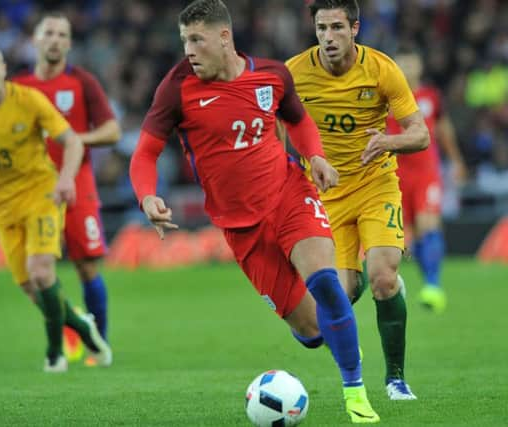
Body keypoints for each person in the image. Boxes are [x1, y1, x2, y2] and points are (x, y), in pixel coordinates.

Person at [129, 0, 379, 423]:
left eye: (197, 39)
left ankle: (356, 393)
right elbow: (145, 153)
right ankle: (320, 333)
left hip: (288, 194)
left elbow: (298, 121)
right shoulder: (177, 87)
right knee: (312, 329)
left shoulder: (271, 74)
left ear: (224, 37)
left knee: (326, 282)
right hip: (240, 227)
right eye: (184, 40)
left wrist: (315, 156)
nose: (188, 49)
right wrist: (147, 197)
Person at [285, 0, 429, 400]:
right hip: (327, 195)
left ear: (355, 28)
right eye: (321, 28)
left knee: (386, 279)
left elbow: (421, 134)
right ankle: (354, 280)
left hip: (375, 184)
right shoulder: (294, 73)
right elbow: (278, 134)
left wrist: (389, 141)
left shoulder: (382, 69)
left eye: (336, 28)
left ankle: (396, 379)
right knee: (337, 299)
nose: (328, 37)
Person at [0, 42, 112, 373]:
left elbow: (73, 140)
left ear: (4, 69)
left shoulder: (29, 100)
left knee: (41, 272)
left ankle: (55, 353)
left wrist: (66, 180)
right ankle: (80, 326)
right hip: (2, 206)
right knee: (30, 288)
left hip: (42, 195)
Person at [14, 13, 121, 364]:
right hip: (33, 189)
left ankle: (98, 345)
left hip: (78, 183)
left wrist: (77, 138)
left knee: (88, 266)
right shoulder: (18, 88)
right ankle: (74, 329)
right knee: (36, 273)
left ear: (70, 43)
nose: (55, 40)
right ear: (36, 40)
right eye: (49, 33)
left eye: (62, 34)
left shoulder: (81, 82)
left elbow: (112, 131)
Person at [387, 50, 468, 314]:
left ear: (420, 65)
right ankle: (427, 281)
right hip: (395, 176)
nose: (408, 67)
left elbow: (443, 129)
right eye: (403, 62)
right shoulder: (386, 97)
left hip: (425, 173)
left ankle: (433, 285)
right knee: (410, 237)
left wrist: (456, 160)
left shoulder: (430, 96)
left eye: (412, 61)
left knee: (428, 224)